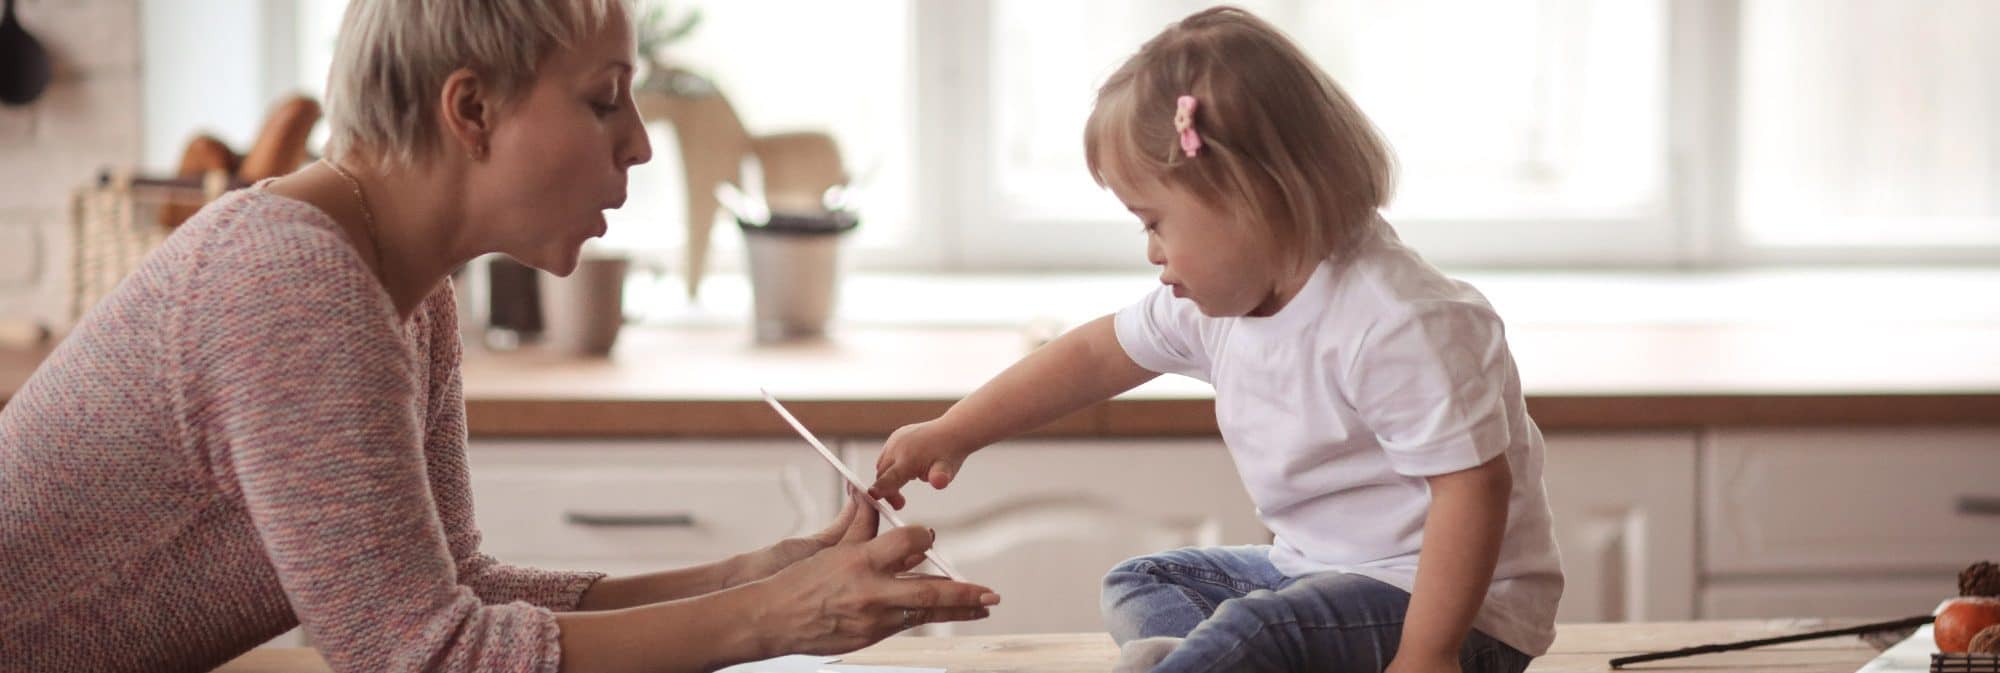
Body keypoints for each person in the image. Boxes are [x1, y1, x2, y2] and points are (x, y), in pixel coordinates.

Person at [0, 2, 996, 671]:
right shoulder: (294, 287)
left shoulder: (399, 283)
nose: (641, 141)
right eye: (603, 99)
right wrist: (776, 619)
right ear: (471, 109)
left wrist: (746, 575)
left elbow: (452, 591)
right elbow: (419, 653)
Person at [869, 7, 1560, 673]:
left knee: (1254, 629)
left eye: (1154, 222)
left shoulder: (1394, 319)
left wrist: (1429, 653)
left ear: (1247, 194)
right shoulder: (1217, 305)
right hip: (1315, 575)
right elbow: (1091, 356)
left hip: (1458, 614)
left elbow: (1474, 488)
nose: (1151, 251)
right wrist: (955, 430)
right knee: (1141, 581)